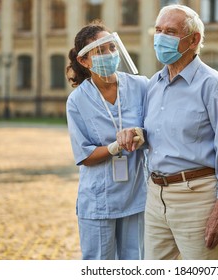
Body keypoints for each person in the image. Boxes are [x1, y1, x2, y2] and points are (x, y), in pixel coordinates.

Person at [117, 5, 218, 260]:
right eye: (159, 30)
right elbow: (157, 133)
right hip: (156, 196)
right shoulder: (155, 83)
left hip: (197, 198)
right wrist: (138, 135)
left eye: (171, 32)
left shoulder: (213, 86)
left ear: (194, 40)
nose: (161, 38)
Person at [65, 21, 148, 260]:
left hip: (136, 196)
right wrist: (115, 147)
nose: (109, 55)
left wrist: (141, 133)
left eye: (112, 48)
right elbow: (85, 156)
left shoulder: (141, 86)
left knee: (136, 263)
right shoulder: (77, 101)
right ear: (84, 61)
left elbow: (159, 127)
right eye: (100, 51)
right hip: (99, 200)